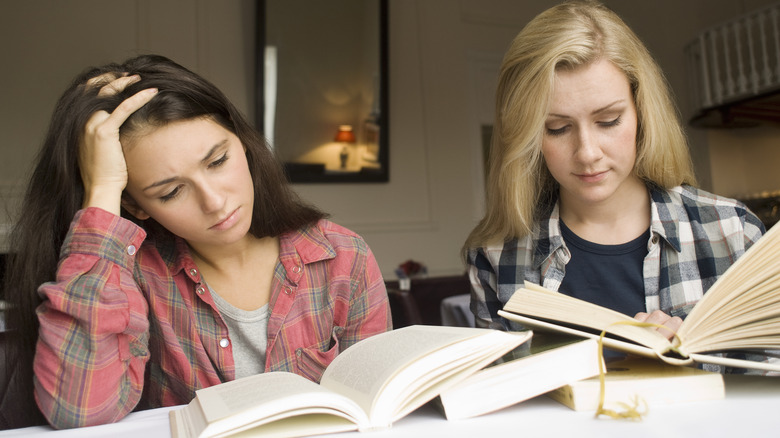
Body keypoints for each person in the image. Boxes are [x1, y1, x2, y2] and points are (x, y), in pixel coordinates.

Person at [1, 54, 391, 430]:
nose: (215, 202)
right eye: (171, 192)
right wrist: (102, 190)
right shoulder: (130, 272)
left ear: (242, 141)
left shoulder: (343, 258)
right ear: (135, 206)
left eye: (218, 161)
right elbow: (79, 410)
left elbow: (378, 406)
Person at [464, 1, 767, 353]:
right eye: (557, 128)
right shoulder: (494, 257)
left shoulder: (733, 233)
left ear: (641, 111)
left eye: (608, 121)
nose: (587, 152)